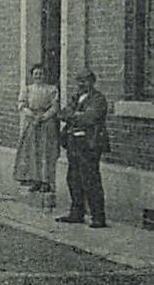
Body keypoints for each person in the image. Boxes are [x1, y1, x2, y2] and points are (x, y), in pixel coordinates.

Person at [56, 69, 108, 228]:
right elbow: (62, 113)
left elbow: (90, 117)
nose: (81, 84)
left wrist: (74, 115)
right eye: (79, 81)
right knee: (73, 178)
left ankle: (98, 216)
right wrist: (76, 115)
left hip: (90, 144)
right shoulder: (76, 97)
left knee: (91, 180)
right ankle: (76, 213)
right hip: (74, 143)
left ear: (92, 82)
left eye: (84, 81)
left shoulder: (98, 99)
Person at [14, 64, 60, 207]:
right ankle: (35, 179)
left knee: (47, 152)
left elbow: (55, 106)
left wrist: (44, 116)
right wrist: (32, 115)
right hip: (32, 122)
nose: (38, 76)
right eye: (36, 74)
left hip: (46, 123)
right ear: (32, 76)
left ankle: (46, 181)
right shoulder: (27, 89)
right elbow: (21, 105)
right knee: (33, 152)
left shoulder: (51, 89)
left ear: (45, 76)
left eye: (41, 74)